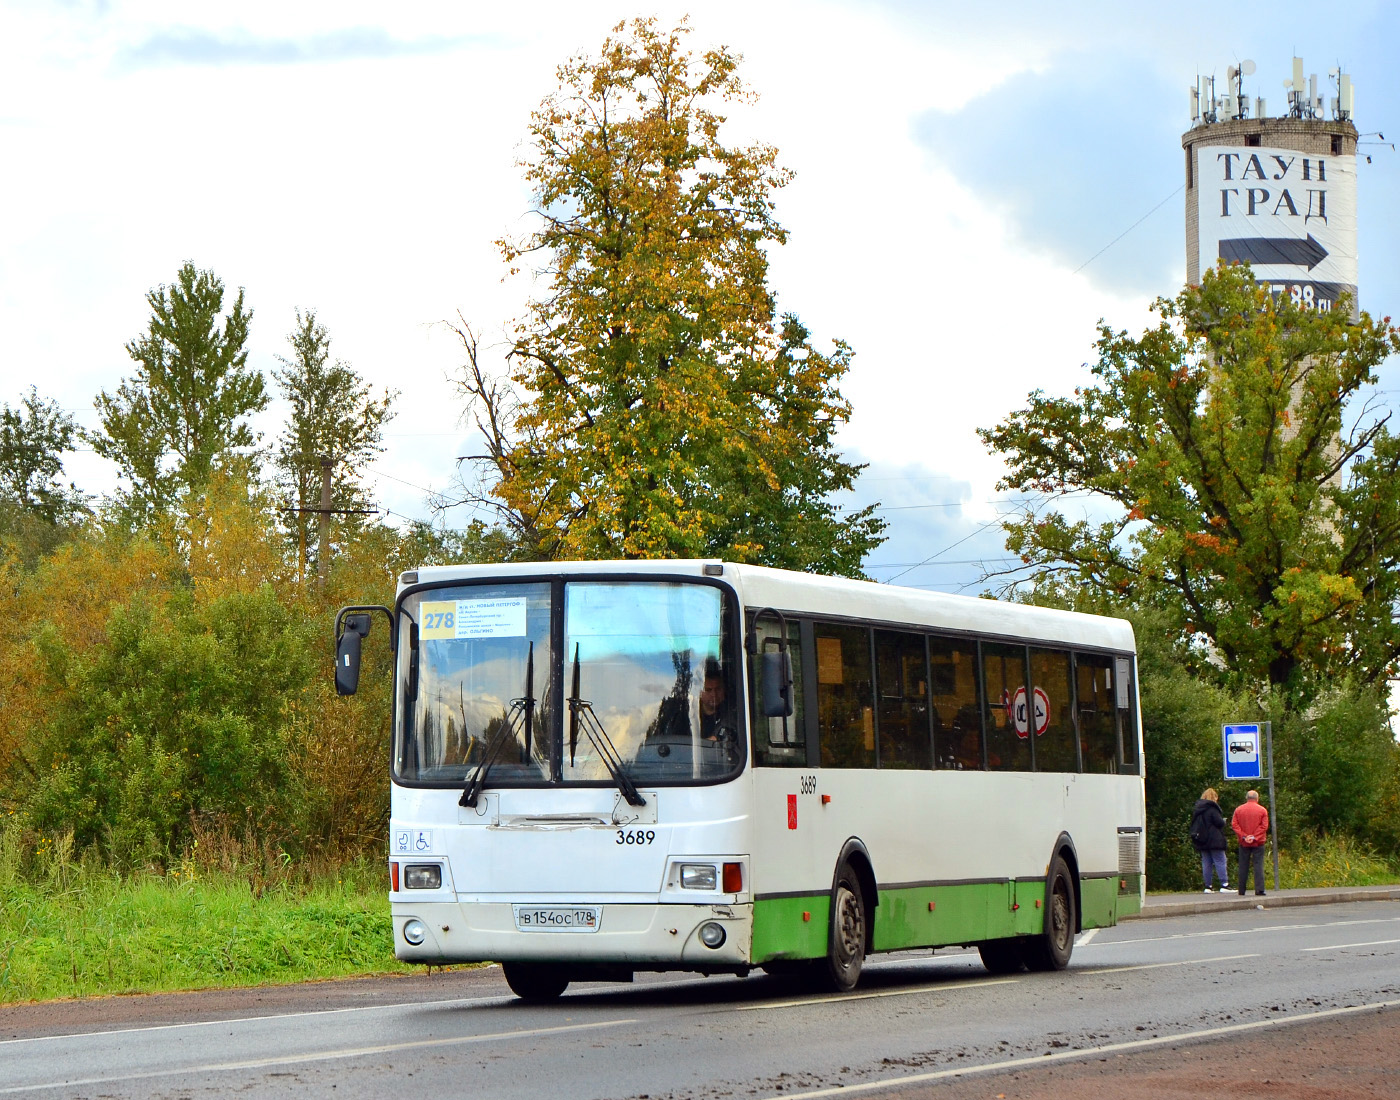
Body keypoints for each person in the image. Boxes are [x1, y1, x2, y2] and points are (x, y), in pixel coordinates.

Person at [1231, 789, 1270, 896]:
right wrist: (1254, 836)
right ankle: (1259, 889)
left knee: (1243, 865)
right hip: (1258, 842)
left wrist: (1244, 836)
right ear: (1257, 798)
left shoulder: (1238, 810)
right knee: (1258, 865)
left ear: (1246, 798)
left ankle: (1241, 889)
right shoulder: (1262, 810)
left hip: (1243, 842)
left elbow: (1235, 825)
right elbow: (1264, 826)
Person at [1190, 788, 1229, 893]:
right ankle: (1224, 884)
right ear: (1214, 797)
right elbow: (1219, 823)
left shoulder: (1198, 809)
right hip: (1214, 839)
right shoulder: (1212, 809)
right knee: (1220, 860)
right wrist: (1224, 821)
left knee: (1206, 862)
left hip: (1201, 839)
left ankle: (1208, 886)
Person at [698, 658, 727, 741]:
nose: (714, 694)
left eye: (718, 689)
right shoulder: (690, 712)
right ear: (699, 691)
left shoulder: (732, 711)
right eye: (708, 690)